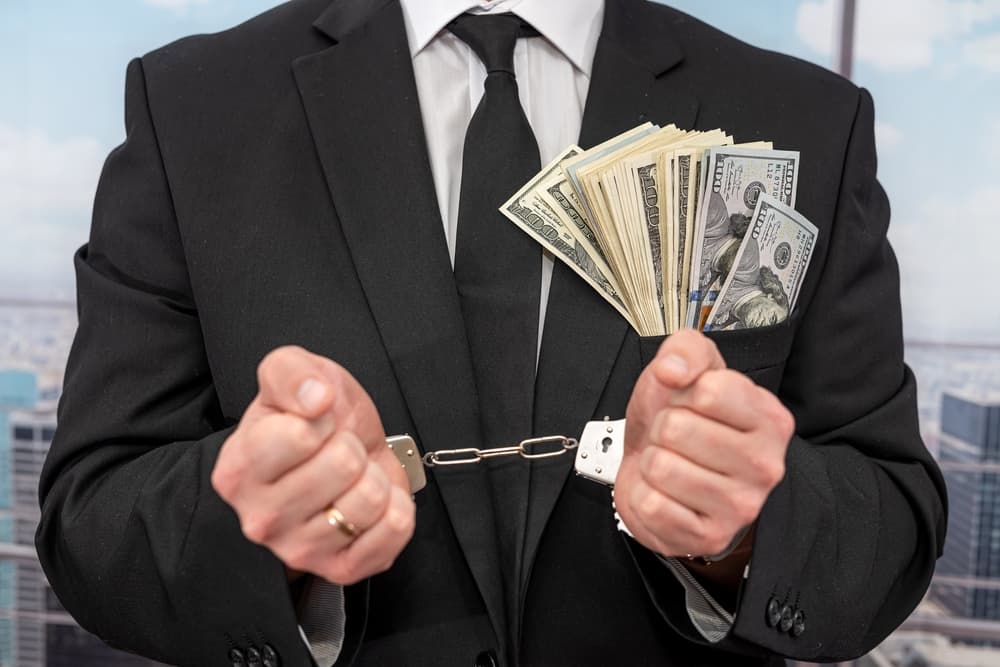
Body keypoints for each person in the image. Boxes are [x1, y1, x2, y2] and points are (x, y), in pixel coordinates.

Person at [35, 0, 947, 666]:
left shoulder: (804, 120)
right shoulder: (193, 108)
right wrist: (262, 529)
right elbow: (91, 518)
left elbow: (892, 515)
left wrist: (743, 532)